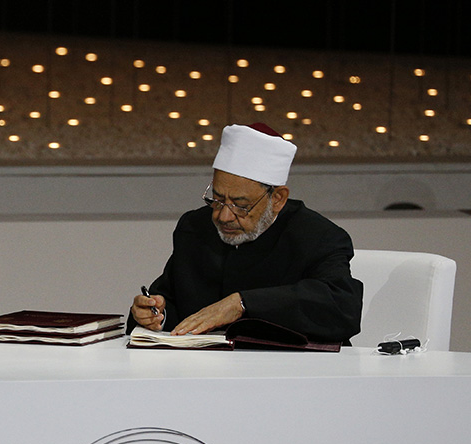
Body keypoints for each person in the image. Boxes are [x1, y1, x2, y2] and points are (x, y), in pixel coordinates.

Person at [129, 123, 362, 343]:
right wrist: (154, 314)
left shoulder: (318, 236)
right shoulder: (195, 228)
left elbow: (342, 307)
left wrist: (242, 304)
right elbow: (170, 301)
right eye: (218, 199)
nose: (223, 216)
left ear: (277, 199)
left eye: (240, 205)